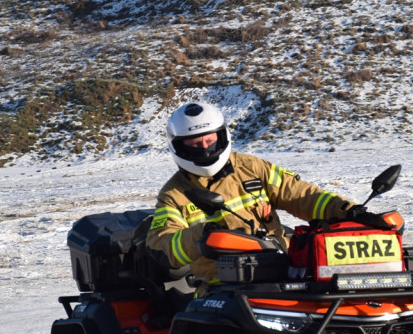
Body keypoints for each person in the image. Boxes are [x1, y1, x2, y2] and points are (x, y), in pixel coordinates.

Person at [147, 101, 370, 283]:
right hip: (223, 288)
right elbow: (162, 248)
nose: (205, 148)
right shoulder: (174, 194)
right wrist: (202, 235)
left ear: (222, 136)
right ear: (178, 147)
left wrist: (349, 211)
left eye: (210, 140)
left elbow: (303, 195)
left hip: (281, 274)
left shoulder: (252, 168)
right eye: (195, 144)